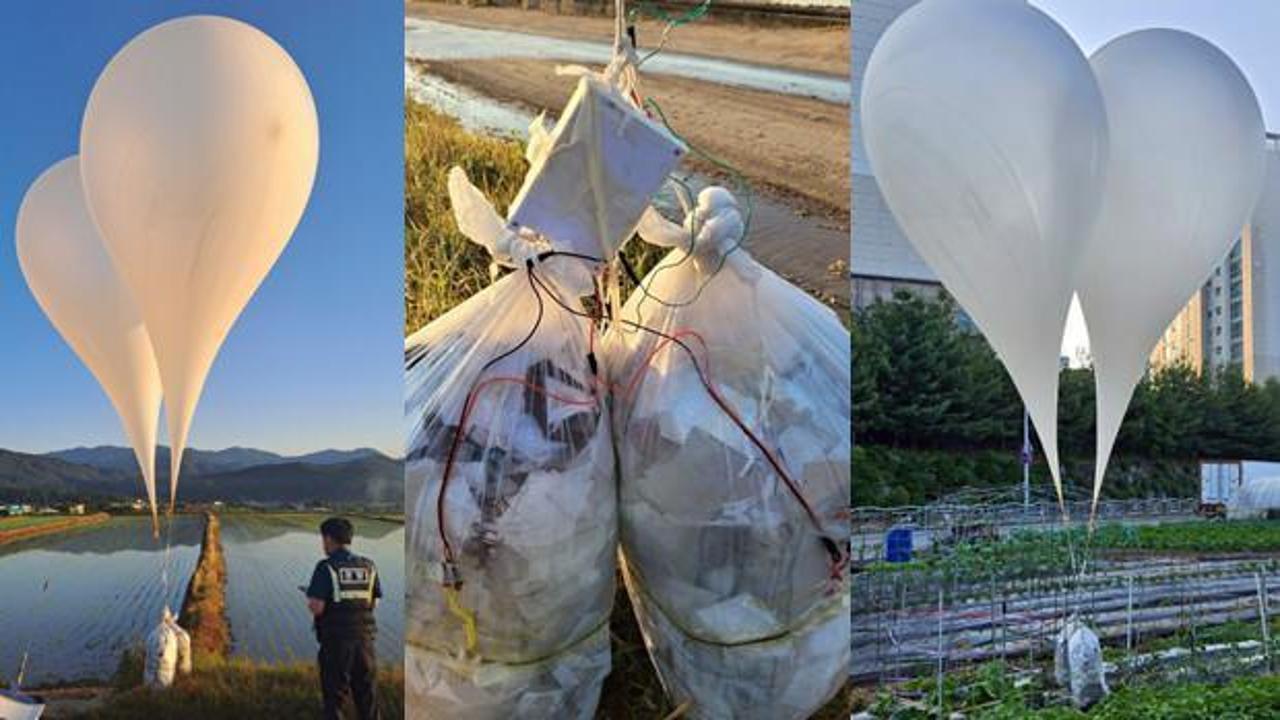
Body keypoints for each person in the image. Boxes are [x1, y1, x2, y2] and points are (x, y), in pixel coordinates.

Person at [306, 517, 382, 720]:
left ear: (329, 538)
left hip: (337, 643)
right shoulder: (369, 566)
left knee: (335, 699)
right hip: (366, 643)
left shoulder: (326, 567)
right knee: (367, 697)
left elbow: (317, 607)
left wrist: (311, 597)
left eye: (323, 539)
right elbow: (373, 603)